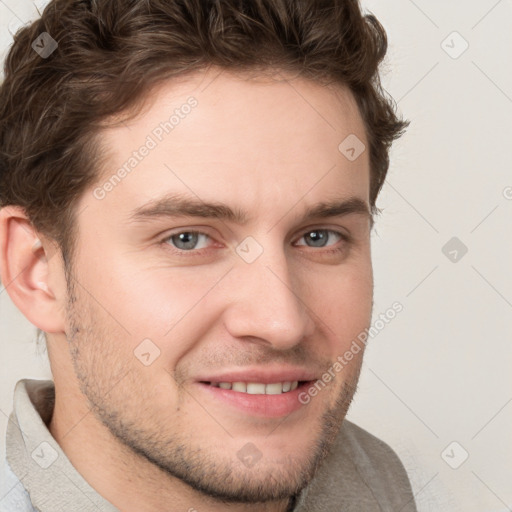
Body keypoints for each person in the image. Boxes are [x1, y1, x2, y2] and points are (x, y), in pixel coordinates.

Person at [0, 0, 416, 510]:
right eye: (188, 239)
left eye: (318, 237)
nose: (280, 322)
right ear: (37, 270)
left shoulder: (382, 485)